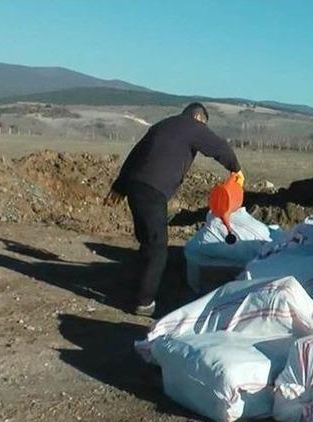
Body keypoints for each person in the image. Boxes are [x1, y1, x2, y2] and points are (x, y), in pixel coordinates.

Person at [104, 102, 243, 316]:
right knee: (159, 247)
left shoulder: (162, 125)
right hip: (153, 190)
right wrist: (236, 168)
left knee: (147, 241)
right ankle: (144, 302)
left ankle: (135, 285)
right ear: (198, 118)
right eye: (204, 124)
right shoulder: (193, 126)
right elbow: (219, 147)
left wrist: (119, 186)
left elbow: (135, 155)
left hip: (135, 186)